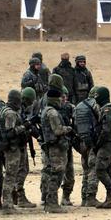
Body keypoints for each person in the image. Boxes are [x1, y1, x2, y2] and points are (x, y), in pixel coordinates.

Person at [39, 89, 72, 213]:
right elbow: (57, 130)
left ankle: (50, 201)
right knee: (57, 173)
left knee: (54, 173)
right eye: (59, 99)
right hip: (55, 147)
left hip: (51, 146)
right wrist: (68, 128)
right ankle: (52, 202)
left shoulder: (46, 110)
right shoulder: (52, 113)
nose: (61, 101)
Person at [0, 90, 31, 214]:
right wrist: (24, 127)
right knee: (10, 175)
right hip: (12, 148)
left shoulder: (6, 111)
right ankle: (7, 204)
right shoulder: (10, 114)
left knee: (11, 175)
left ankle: (8, 203)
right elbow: (9, 133)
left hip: (13, 148)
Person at [48, 73, 76, 205]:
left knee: (69, 173)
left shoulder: (70, 108)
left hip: (67, 144)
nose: (64, 99)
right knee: (54, 171)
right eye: (62, 97)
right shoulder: (53, 110)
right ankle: (48, 198)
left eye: (65, 97)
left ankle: (66, 197)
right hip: (55, 144)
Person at [93, 87, 111, 208]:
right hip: (108, 142)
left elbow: (106, 129)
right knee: (107, 169)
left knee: (100, 169)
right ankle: (109, 198)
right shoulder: (106, 108)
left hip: (107, 143)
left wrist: (98, 144)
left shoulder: (107, 110)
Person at [73, 87, 101, 206]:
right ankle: (91, 196)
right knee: (93, 168)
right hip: (92, 140)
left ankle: (84, 197)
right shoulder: (96, 105)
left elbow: (74, 123)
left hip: (81, 141)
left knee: (85, 169)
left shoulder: (78, 106)